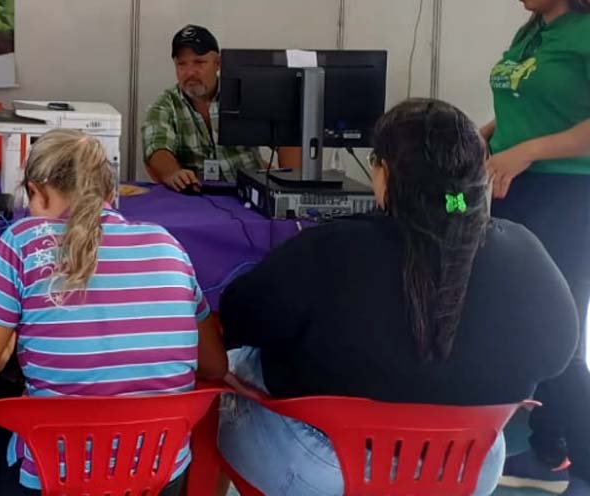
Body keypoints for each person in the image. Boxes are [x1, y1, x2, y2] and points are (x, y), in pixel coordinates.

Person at [217, 99, 578, 496]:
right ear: (479, 179)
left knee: (233, 361)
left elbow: (238, 319)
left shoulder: (328, 249)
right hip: (466, 470)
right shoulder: (523, 251)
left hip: (323, 470)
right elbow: (556, 356)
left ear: (384, 173)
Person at [0, 128, 227, 495]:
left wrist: (0, 356)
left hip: (54, 482)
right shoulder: (168, 246)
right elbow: (215, 366)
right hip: (158, 480)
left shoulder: (23, 242)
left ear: (36, 191)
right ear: (111, 193)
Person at [481, 0, 590, 494]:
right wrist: (482, 137)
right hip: (508, 190)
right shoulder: (533, 34)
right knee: (518, 323)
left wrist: (529, 150)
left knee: (560, 335)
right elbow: (522, 100)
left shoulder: (586, 34)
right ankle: (547, 451)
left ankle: (584, 463)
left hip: (566, 197)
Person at [143, 24, 298, 191]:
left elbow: (288, 138)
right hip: (197, 198)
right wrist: (173, 173)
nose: (190, 72)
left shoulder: (246, 94)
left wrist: (291, 185)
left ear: (218, 63)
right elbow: (156, 148)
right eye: (182, 64)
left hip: (248, 193)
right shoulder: (165, 105)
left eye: (199, 62)